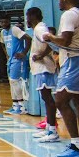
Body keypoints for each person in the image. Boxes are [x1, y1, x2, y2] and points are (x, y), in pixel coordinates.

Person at [43, 0, 79, 157]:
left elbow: (65, 41)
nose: (58, 2)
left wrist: (50, 37)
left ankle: (76, 145)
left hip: (74, 60)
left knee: (60, 100)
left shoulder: (68, 15)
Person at [16, 8, 60, 143]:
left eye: (27, 17)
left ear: (33, 17)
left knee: (48, 99)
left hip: (44, 68)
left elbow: (52, 43)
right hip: (41, 68)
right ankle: (49, 128)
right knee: (46, 99)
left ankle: (52, 131)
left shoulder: (39, 29)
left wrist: (41, 55)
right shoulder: (39, 28)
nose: (26, 20)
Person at [1, 17, 29, 115]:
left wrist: (24, 53)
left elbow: (28, 38)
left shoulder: (15, 29)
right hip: (11, 59)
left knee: (16, 81)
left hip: (18, 59)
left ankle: (22, 106)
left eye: (5, 21)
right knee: (12, 82)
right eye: (1, 22)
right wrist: (7, 54)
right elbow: (3, 44)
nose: (3, 23)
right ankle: (15, 105)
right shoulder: (3, 32)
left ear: (9, 21)